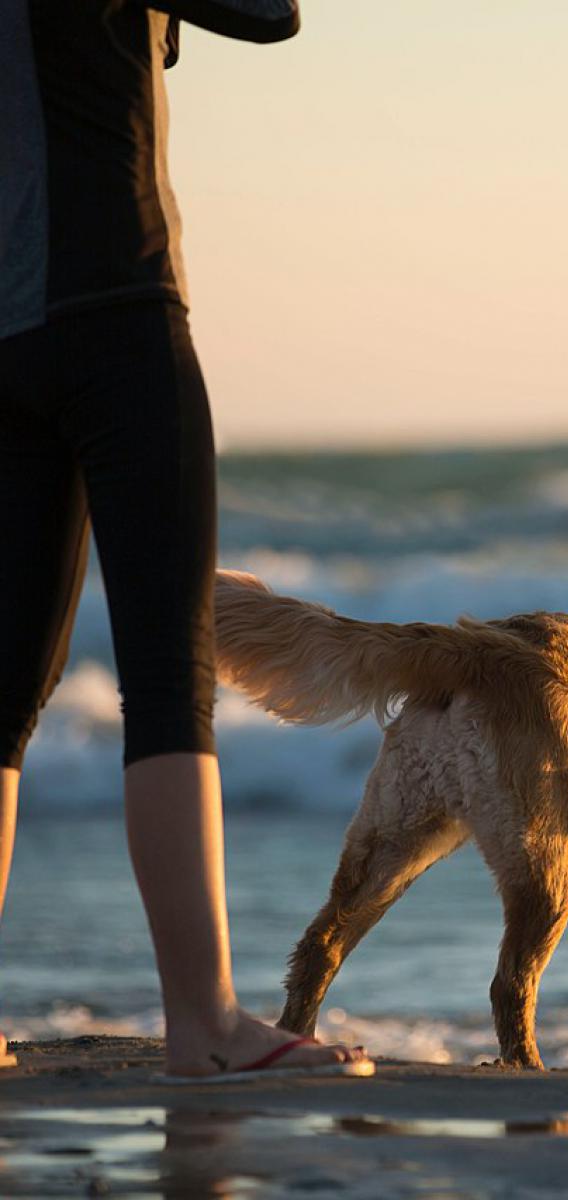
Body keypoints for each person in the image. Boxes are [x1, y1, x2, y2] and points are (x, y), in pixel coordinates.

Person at [0, 0, 372, 1080]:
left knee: (6, 697)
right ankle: (204, 1023)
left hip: (3, 332)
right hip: (117, 305)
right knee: (168, 679)